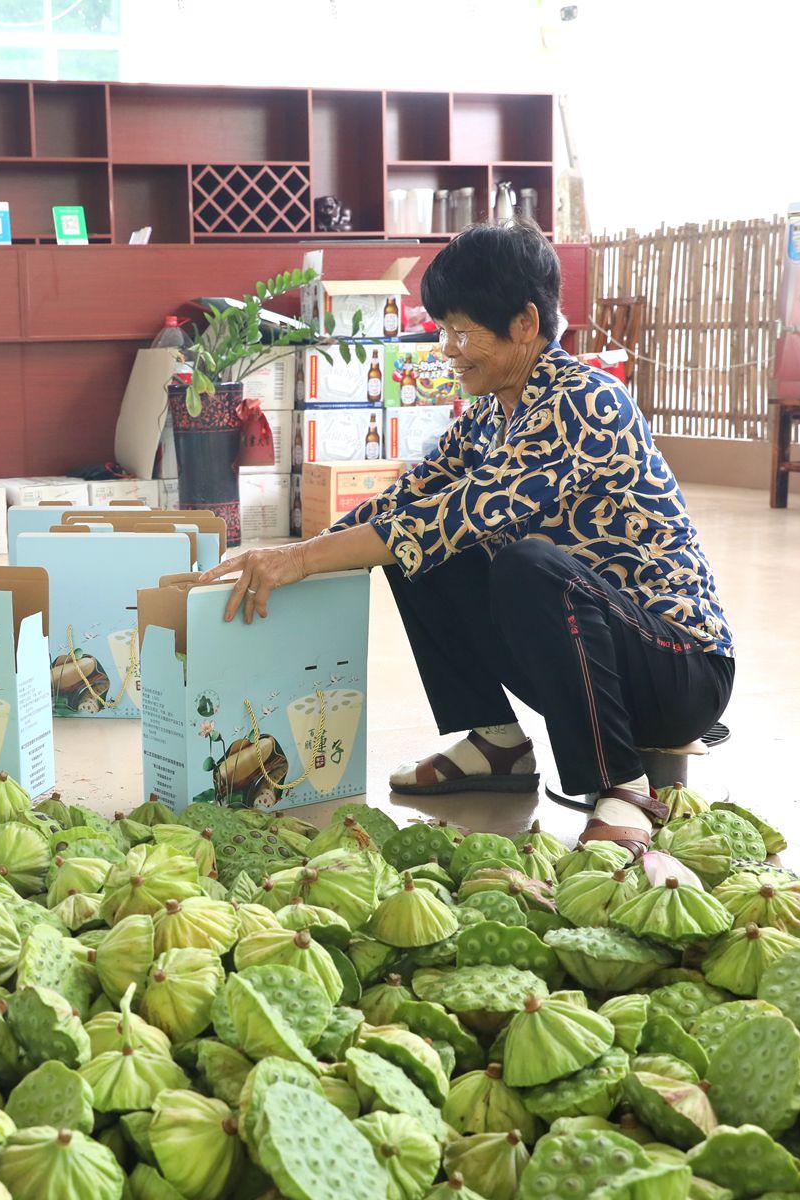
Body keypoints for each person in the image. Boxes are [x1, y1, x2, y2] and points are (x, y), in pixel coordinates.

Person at [199, 223, 734, 855]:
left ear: (525, 324)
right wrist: (292, 558)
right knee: (411, 551)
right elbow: (410, 501)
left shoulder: (584, 400)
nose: (448, 350)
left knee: (526, 564)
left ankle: (622, 785)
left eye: (461, 331)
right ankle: (496, 743)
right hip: (588, 661)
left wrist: (299, 559)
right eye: (443, 331)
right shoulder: (488, 412)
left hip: (674, 667)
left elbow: (454, 517)